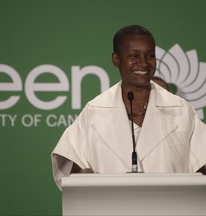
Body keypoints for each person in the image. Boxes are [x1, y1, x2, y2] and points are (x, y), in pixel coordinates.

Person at [51, 25, 206, 190]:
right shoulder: (94, 110)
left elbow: (202, 163)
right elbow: (68, 162)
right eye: (134, 56)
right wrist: (83, 178)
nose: (144, 63)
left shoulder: (180, 109)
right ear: (116, 60)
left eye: (150, 55)